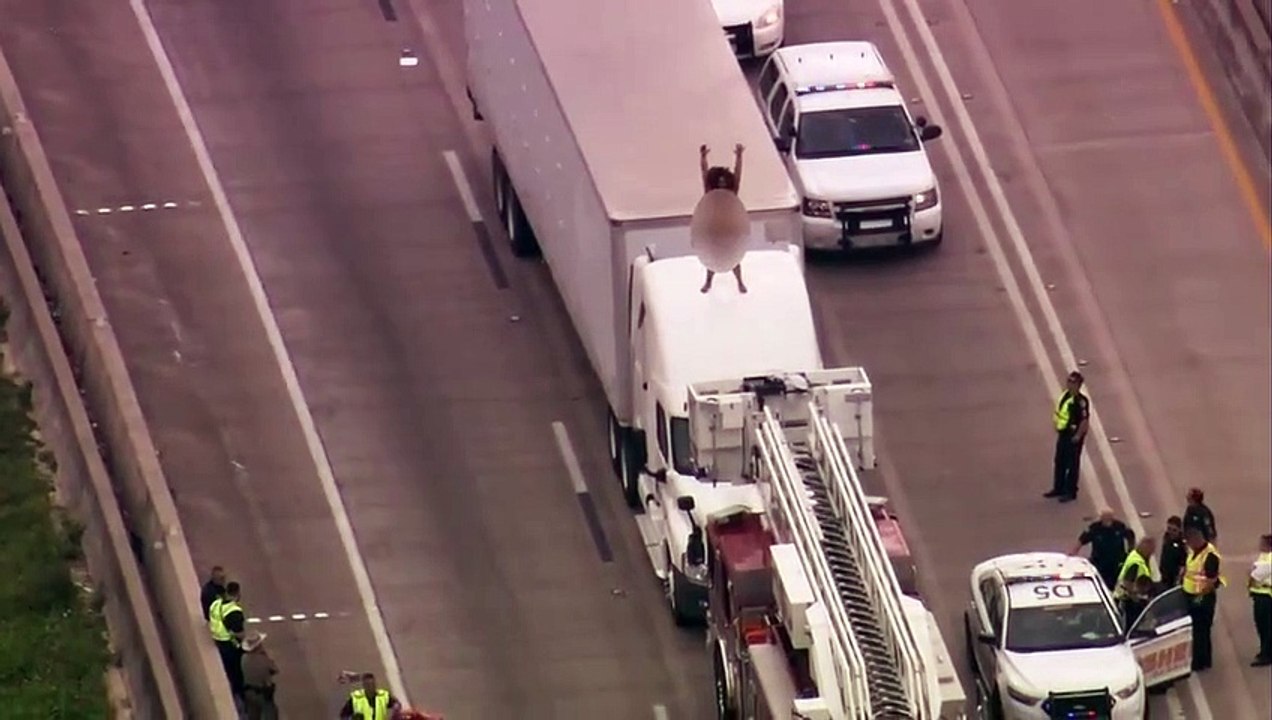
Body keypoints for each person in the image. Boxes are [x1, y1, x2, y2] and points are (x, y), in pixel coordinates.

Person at [698, 142, 747, 294]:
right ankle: (708, 282)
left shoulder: (732, 192)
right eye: (719, 182)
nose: (722, 184)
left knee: (733, 256)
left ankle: (740, 282)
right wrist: (703, 158)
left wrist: (739, 156)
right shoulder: (710, 193)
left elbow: (738, 174)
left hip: (730, 226)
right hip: (714, 226)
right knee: (713, 255)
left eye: (724, 182)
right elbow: (704, 174)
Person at [1182, 526, 1225, 671]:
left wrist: (1200, 597)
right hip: (1192, 595)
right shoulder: (1194, 551)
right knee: (1199, 631)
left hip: (1202, 598)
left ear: (1195, 540)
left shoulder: (1210, 556)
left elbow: (1211, 580)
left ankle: (1200, 661)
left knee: (1201, 631)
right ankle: (1204, 659)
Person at [1043, 371, 1089, 502]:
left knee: (1072, 464)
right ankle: (1059, 487)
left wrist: (1078, 435)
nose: (1070, 384)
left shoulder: (1081, 401)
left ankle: (1071, 491)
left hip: (1073, 435)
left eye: (1073, 382)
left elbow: (1084, 420)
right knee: (1060, 461)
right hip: (1063, 433)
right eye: (1069, 381)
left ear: (1078, 385)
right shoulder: (1065, 395)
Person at [1070, 509, 1136, 590]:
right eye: (1105, 518)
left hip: (1116, 562)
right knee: (1100, 583)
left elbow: (1130, 536)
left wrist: (1131, 550)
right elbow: (1082, 540)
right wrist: (1074, 552)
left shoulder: (1119, 526)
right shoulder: (1095, 528)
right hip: (1099, 562)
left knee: (1117, 583)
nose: (1107, 520)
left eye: (1109, 518)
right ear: (1101, 518)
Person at [209, 581, 247, 699]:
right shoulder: (234, 611)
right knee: (236, 670)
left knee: (228, 668)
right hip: (229, 644)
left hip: (217, 639)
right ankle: (239, 693)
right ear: (237, 594)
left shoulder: (216, 604)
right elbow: (238, 633)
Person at [1114, 537, 1156, 625]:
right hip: (1129, 601)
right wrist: (1136, 598)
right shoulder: (1136, 563)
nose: (1151, 554)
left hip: (1129, 598)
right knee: (1132, 624)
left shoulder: (1135, 555)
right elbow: (1127, 583)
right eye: (1151, 551)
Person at [240, 631, 278, 720]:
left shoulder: (244, 658)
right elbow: (275, 669)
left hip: (248, 691)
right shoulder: (262, 659)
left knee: (253, 715)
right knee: (271, 713)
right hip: (263, 693)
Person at [1248, 533, 1271, 667]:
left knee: (1265, 626)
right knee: (1262, 626)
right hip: (1259, 594)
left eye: (1262, 543)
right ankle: (1265, 651)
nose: (1260, 545)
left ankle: (1266, 654)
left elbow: (1255, 575)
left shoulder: (1269, 559)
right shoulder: (1264, 556)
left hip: (1265, 596)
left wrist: (1251, 573)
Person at [1159, 516, 1188, 587]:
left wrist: (1178, 578)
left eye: (1174, 530)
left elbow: (1183, 564)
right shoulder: (1167, 537)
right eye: (1169, 529)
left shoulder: (1182, 544)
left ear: (1179, 530)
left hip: (1174, 578)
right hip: (1165, 574)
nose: (1171, 532)